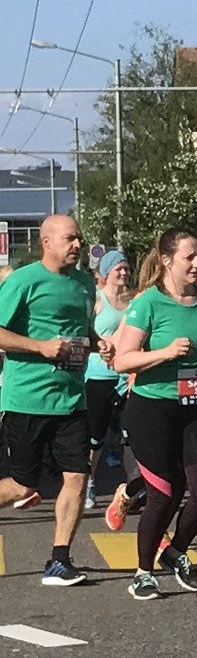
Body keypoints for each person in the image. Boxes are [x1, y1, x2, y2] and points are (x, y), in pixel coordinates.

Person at [112, 229, 197, 599]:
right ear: (166, 261)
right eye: (189, 258)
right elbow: (122, 359)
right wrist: (164, 353)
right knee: (165, 493)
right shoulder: (148, 303)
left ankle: (175, 551)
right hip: (152, 409)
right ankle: (143, 572)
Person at [0, 214, 111, 585]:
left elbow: (81, 329)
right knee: (23, 485)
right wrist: (40, 347)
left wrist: (99, 343)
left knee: (77, 475)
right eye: (69, 238)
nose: (77, 244)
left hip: (70, 399)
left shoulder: (83, 283)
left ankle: (59, 560)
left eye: (79, 238)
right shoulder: (23, 281)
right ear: (46, 242)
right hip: (27, 399)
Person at [84, 250, 132, 510]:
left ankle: (130, 487)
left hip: (127, 376)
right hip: (98, 375)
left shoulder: (133, 300)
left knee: (130, 434)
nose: (123, 273)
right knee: (96, 436)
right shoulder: (97, 299)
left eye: (125, 268)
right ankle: (89, 481)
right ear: (105, 273)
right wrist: (100, 345)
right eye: (118, 269)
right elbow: (86, 332)